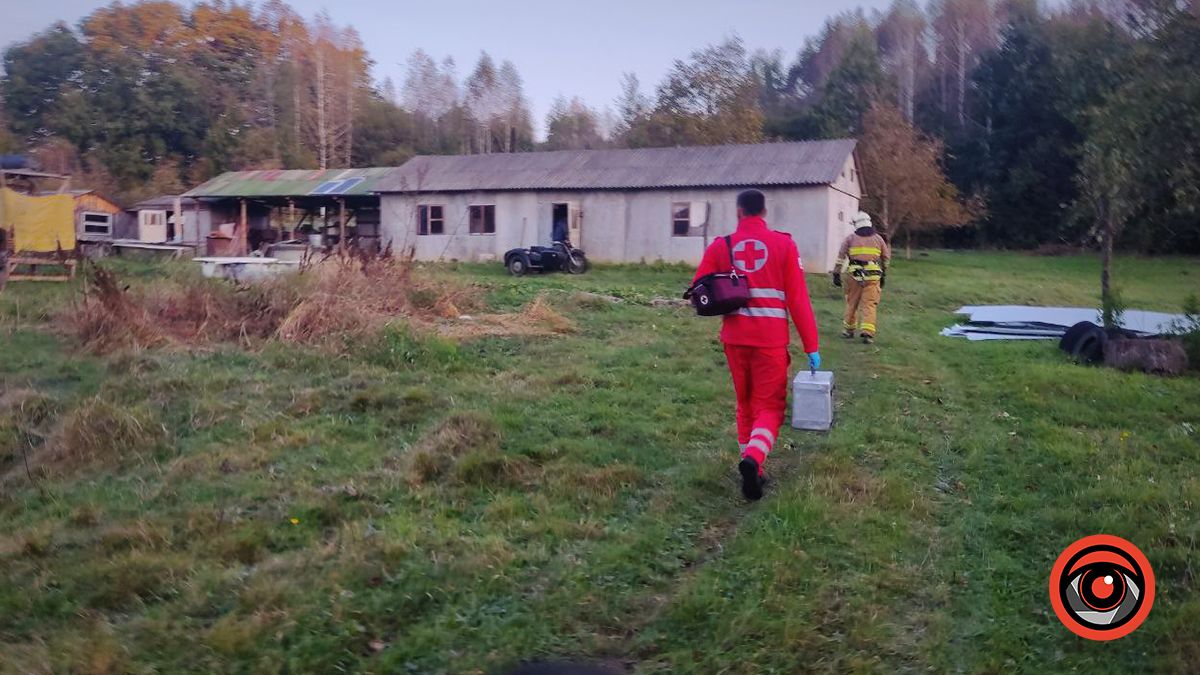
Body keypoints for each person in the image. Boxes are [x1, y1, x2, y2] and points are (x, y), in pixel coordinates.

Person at [691, 189, 820, 500]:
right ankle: (754, 460)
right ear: (764, 212)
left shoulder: (722, 245)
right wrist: (811, 347)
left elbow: (699, 286)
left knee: (745, 404)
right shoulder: (784, 245)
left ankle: (753, 470)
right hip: (770, 342)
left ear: (739, 212)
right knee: (771, 407)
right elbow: (798, 300)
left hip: (735, 340)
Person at [833, 211, 891, 344]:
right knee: (869, 304)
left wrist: (836, 274)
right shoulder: (879, 239)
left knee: (851, 303)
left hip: (854, 276)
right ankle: (868, 333)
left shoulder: (849, 239)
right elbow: (886, 259)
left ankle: (849, 330)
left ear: (856, 225)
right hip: (873, 276)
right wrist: (884, 274)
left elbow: (841, 258)